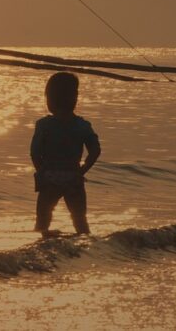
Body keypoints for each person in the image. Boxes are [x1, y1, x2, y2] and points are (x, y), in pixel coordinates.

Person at [30, 72, 101, 235]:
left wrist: (41, 170)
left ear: (50, 100)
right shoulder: (83, 125)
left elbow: (34, 152)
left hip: (49, 178)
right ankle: (85, 250)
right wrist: (82, 170)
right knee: (80, 221)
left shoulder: (44, 125)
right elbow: (95, 150)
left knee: (42, 221)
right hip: (73, 178)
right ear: (75, 98)